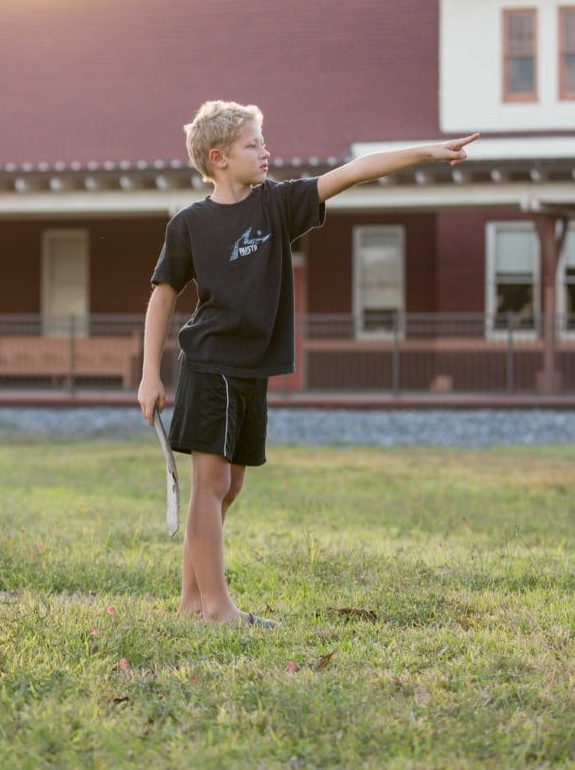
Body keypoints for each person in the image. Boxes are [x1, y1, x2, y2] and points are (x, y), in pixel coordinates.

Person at [138, 100, 478, 627]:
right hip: (211, 364)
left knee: (231, 487)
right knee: (210, 485)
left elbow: (355, 171)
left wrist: (425, 154)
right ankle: (219, 609)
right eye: (254, 144)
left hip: (253, 368)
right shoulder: (190, 224)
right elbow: (162, 295)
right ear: (219, 157)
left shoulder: (278, 205)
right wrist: (148, 375)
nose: (266, 151)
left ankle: (192, 602)